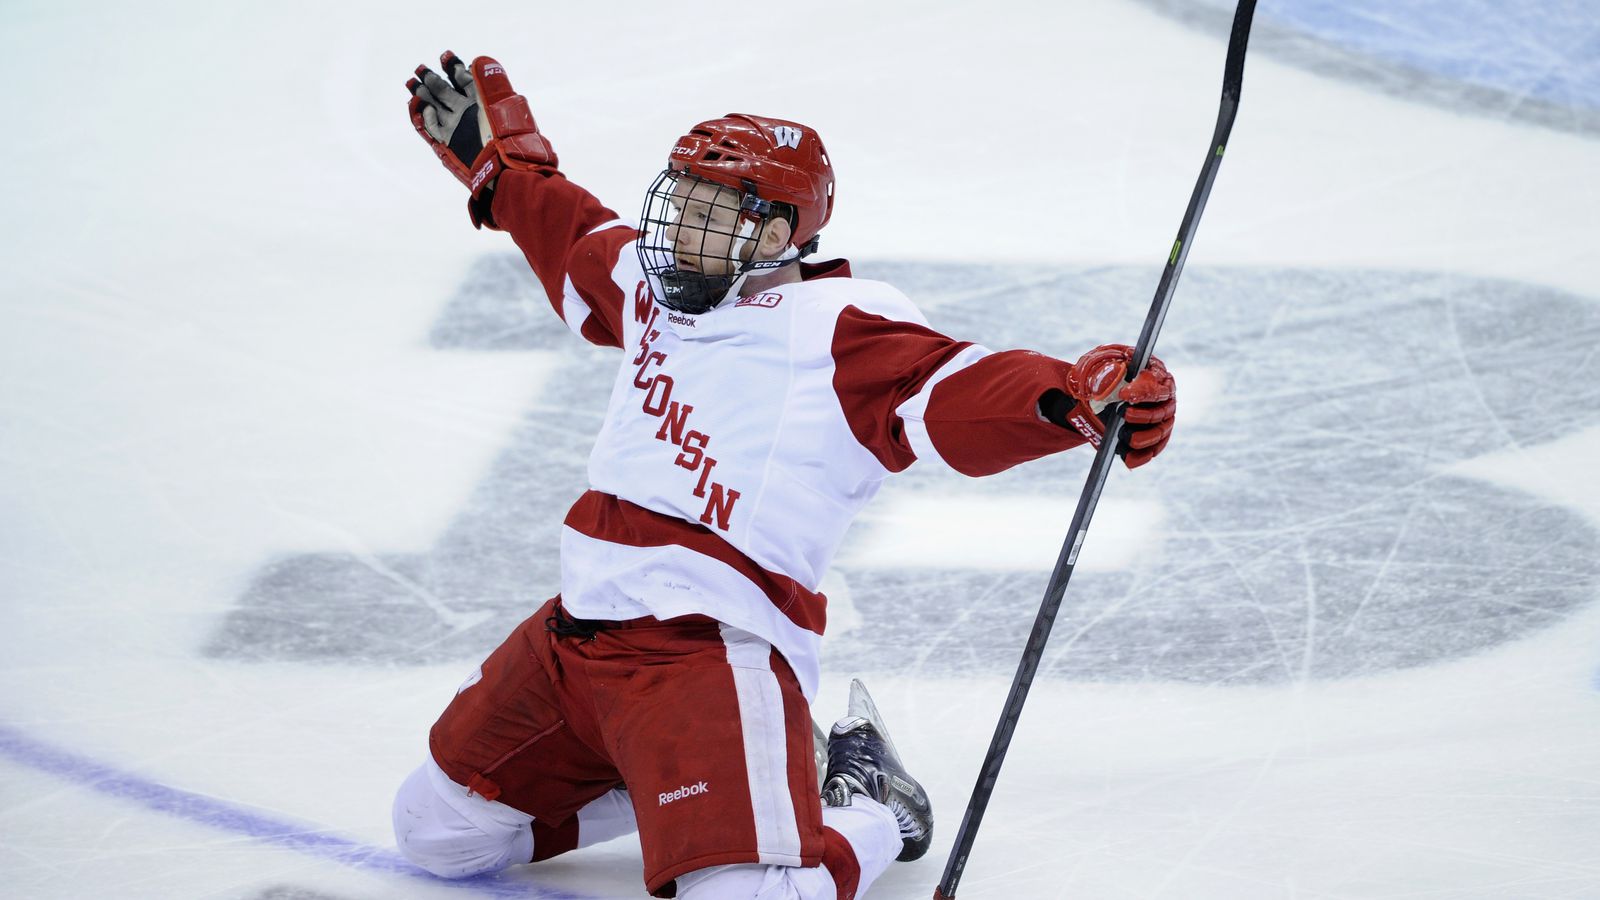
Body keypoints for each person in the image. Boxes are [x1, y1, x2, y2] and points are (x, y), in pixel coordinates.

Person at [392, 52, 1177, 900]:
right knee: (437, 834)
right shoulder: (657, 286)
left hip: (708, 654)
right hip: (575, 639)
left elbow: (950, 388)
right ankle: (685, 786)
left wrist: (1073, 398)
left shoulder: (835, 328)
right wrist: (502, 167)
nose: (676, 227)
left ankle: (870, 802)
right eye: (679, 201)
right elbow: (574, 233)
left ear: (773, 233)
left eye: (706, 211)